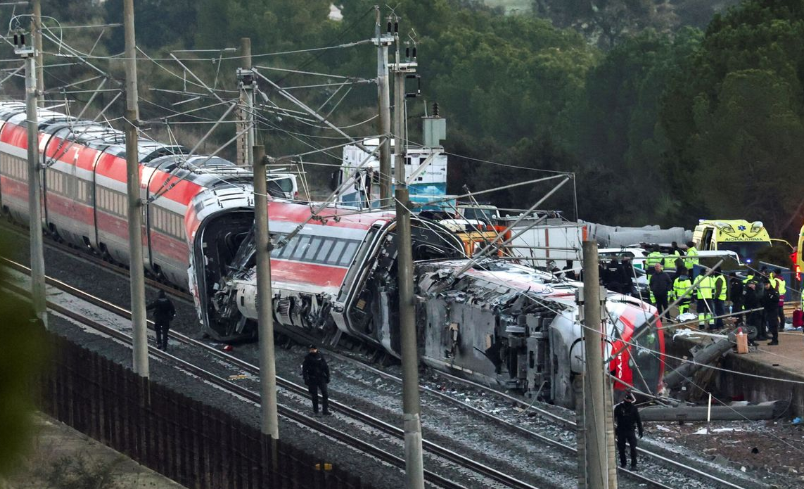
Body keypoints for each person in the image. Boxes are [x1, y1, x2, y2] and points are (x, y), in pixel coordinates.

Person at [614, 391, 643, 470]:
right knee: (621, 448)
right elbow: (613, 417)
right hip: (621, 430)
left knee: (633, 448)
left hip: (630, 430)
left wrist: (640, 430)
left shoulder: (633, 408)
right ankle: (624, 463)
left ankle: (633, 465)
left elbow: (638, 420)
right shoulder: (619, 408)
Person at [302, 344, 331, 415]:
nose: (312, 350)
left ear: (316, 349)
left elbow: (325, 367)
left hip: (321, 378)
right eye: (311, 349)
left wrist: (328, 376)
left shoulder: (320, 356)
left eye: (313, 349)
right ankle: (316, 411)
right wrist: (306, 379)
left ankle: (325, 410)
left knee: (325, 394)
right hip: (312, 378)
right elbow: (304, 369)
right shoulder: (307, 358)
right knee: (314, 396)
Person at [763, 279, 780, 345]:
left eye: (767, 284)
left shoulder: (773, 291)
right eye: (765, 285)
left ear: (769, 284)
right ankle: (774, 339)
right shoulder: (765, 291)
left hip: (773, 310)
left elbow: (776, 299)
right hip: (768, 310)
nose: (766, 286)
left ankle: (775, 340)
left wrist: (771, 296)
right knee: (770, 325)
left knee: (774, 325)